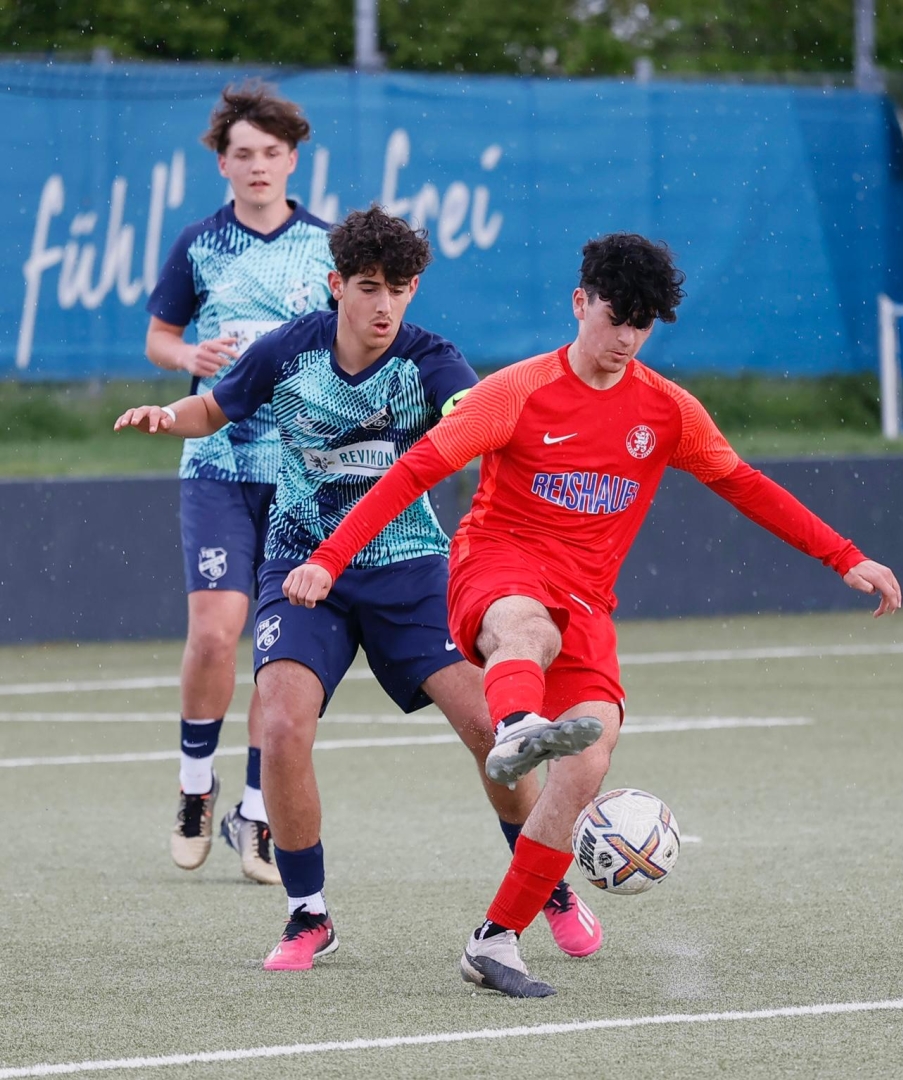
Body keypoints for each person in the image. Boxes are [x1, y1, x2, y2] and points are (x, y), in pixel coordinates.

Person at [283, 231, 903, 998]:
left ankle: (495, 940)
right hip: (496, 563)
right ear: (580, 304)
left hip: (586, 601)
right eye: (615, 319)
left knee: (586, 762)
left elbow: (743, 483)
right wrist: (328, 559)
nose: (626, 340)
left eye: (642, 326)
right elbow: (413, 472)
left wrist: (843, 556)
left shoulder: (665, 410)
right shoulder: (515, 392)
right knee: (526, 629)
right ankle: (516, 728)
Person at [115, 206, 602, 971]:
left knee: (490, 730)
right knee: (282, 725)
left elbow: (467, 413)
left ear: (414, 291)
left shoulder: (429, 359)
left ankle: (547, 886)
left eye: (399, 289)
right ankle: (307, 914)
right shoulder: (289, 349)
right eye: (369, 287)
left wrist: (498, 424)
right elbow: (211, 407)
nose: (384, 305)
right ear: (335, 284)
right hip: (302, 567)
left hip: (409, 568)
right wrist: (166, 414)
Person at [144, 81, 334, 886]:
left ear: (293, 160)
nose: (257, 165)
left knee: (275, 648)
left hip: (301, 474)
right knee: (216, 634)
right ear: (221, 163)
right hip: (218, 464)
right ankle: (196, 786)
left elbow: (350, 341)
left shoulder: (329, 248)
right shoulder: (199, 244)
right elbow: (159, 336)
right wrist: (188, 357)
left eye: (271, 153)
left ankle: (255, 815)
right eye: (242, 153)